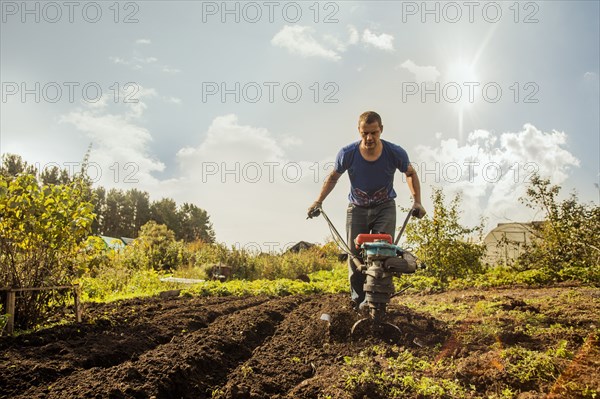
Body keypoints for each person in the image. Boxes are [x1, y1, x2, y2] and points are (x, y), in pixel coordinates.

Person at [307, 111, 426, 310]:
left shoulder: (394, 152)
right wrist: (318, 201)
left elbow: (410, 173)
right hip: (357, 208)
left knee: (383, 252)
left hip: (385, 206)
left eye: (373, 133)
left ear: (381, 130)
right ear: (359, 131)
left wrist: (418, 202)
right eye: (365, 133)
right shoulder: (348, 153)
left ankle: (379, 302)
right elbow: (334, 177)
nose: (369, 138)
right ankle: (357, 301)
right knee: (355, 256)